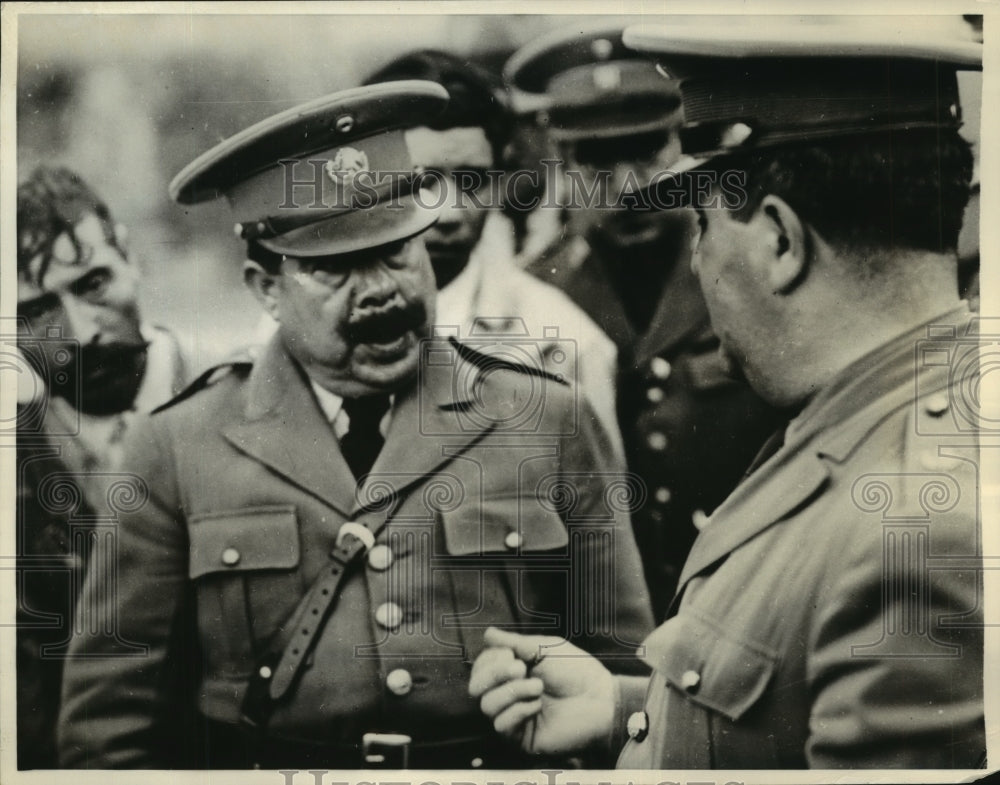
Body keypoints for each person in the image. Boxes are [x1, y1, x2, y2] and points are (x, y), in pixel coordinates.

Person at [57, 81, 653, 769]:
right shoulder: (176, 447)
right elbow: (108, 738)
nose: (380, 291)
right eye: (333, 268)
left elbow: (625, 696)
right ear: (265, 287)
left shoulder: (547, 418)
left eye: (396, 250)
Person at [470, 21, 985, 769]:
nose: (700, 257)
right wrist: (628, 710)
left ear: (779, 241)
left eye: (705, 223)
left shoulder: (921, 535)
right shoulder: (872, 421)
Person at [507, 27, 783, 616]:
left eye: (646, 150)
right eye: (599, 159)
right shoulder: (528, 297)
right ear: (560, 158)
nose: (628, 186)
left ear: (681, 142)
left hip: (750, 595)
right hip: (600, 616)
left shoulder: (758, 264)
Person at [363, 50, 622, 455]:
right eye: (419, 183)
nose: (448, 213)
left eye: (471, 181)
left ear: (501, 179)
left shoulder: (564, 340)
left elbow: (598, 513)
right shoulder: (305, 319)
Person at [15, 166, 187, 768]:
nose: (80, 332)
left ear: (130, 257)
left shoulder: (237, 406)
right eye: (37, 311)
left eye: (92, 284)